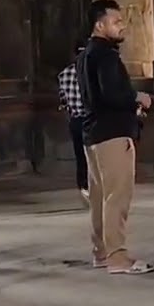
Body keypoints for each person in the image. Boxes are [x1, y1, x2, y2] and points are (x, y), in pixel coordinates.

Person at [79, 0, 154, 274]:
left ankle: (101, 252)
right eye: (116, 21)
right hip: (112, 133)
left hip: (93, 134)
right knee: (117, 196)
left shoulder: (87, 54)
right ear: (100, 25)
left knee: (101, 197)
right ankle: (117, 256)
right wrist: (138, 97)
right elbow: (113, 94)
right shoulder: (106, 56)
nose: (121, 25)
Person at [58, 38, 90, 200]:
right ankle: (96, 187)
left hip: (76, 120)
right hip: (92, 120)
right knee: (95, 156)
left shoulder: (63, 75)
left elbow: (63, 100)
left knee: (80, 155)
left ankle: (83, 185)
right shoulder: (91, 73)